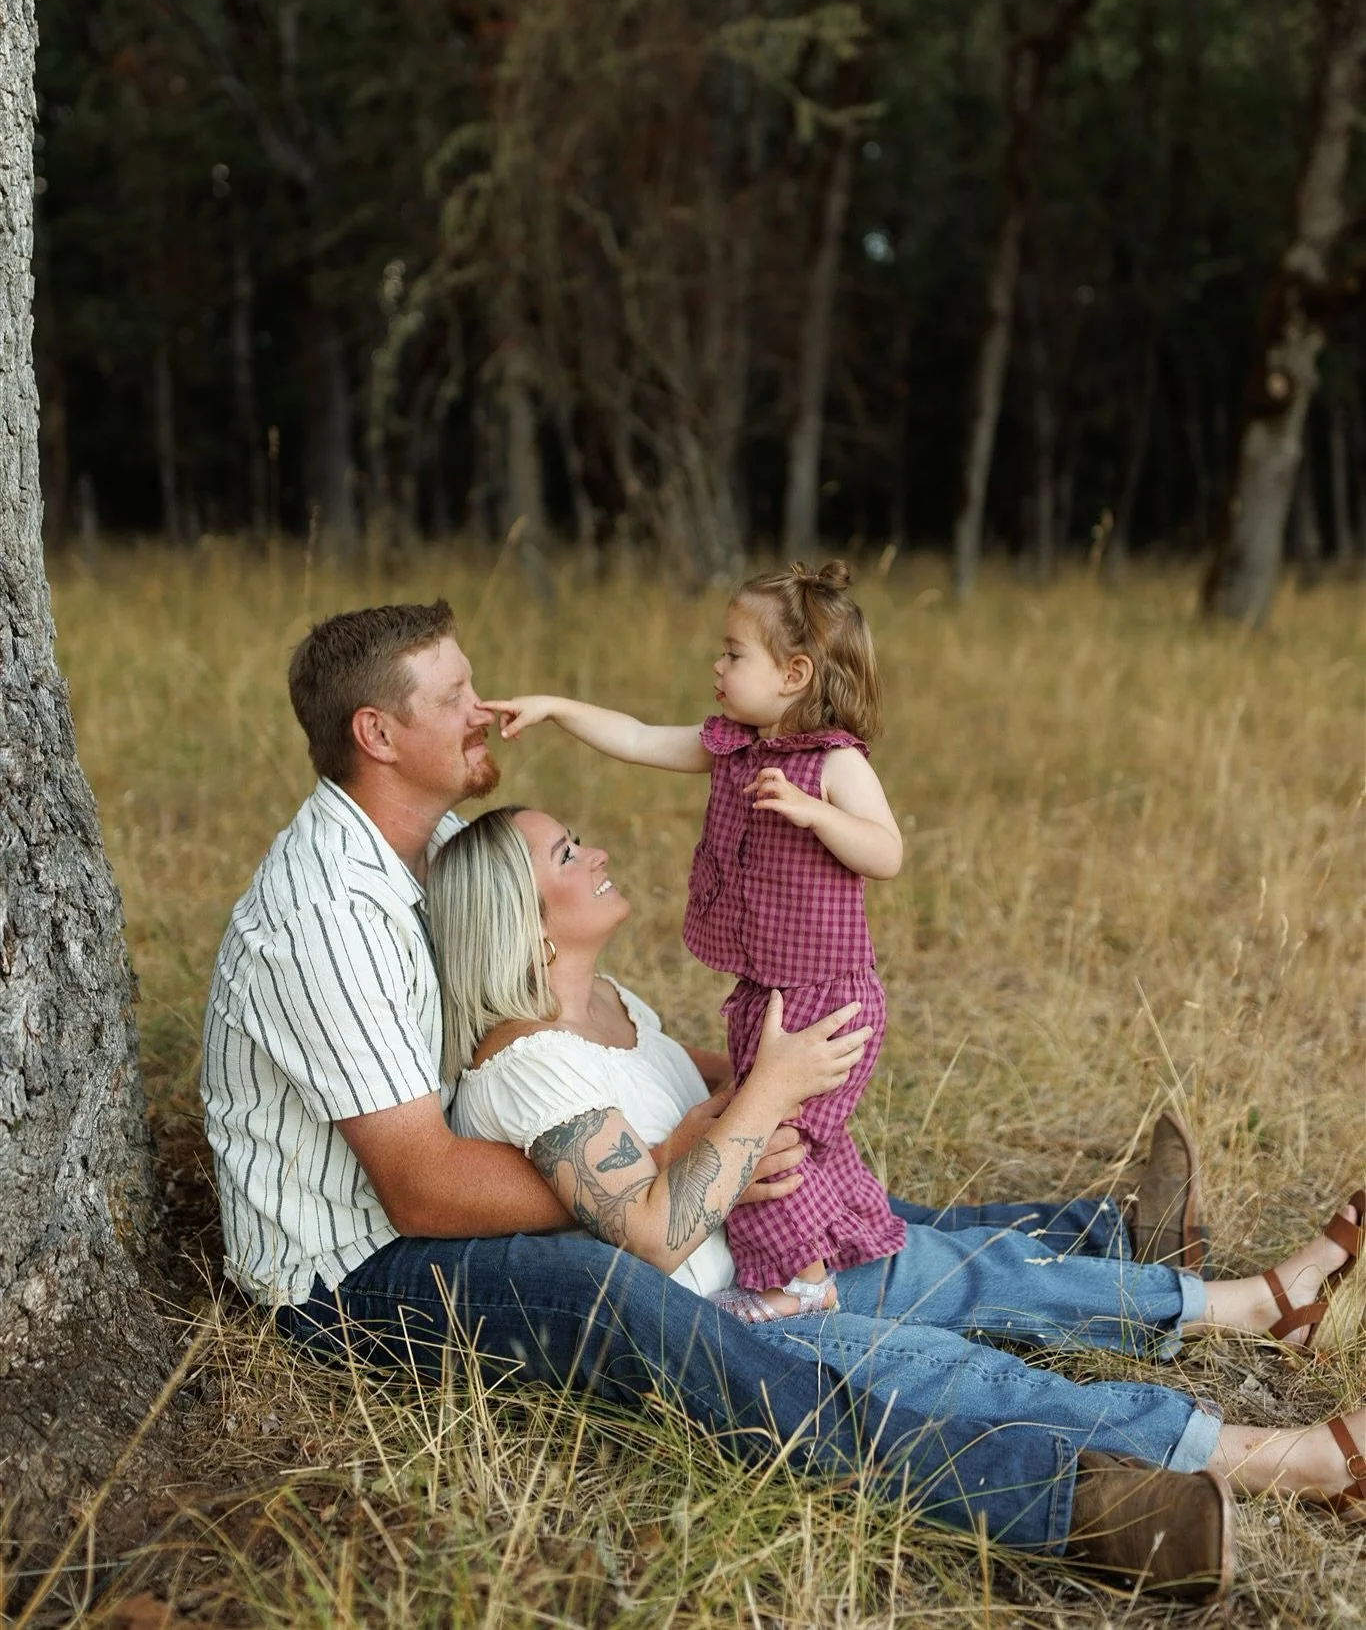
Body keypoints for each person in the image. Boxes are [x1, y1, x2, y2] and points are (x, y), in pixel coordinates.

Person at [199, 598, 1363, 1603]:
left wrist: (740, 1112)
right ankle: (1077, 1501)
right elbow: (421, 1185)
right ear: (378, 732)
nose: (482, 707)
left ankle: (1118, 1246)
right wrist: (684, 1157)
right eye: (455, 696)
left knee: (821, 1210)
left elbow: (612, 1064)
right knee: (642, 1301)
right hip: (357, 1272)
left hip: (526, 1174)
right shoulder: (328, 911)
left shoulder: (440, 841)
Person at [426, 803, 1364, 1549]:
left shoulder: (609, 1003)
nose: (594, 852)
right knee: (971, 1380)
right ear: (524, 922)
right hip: (737, 1322)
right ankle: (1293, 1462)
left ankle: (1256, 1304)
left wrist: (775, 1078)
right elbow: (655, 1235)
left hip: (776, 1252)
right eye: (566, 854)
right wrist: (770, 1091)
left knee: (979, 1268)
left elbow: (696, 1096)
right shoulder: (523, 1063)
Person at [487, 560, 903, 1321]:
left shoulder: (834, 763)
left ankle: (800, 1285)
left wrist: (815, 813)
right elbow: (637, 737)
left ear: (794, 674)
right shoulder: (732, 746)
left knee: (774, 1134)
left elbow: (887, 852)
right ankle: (832, 1254)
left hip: (827, 997)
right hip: (766, 989)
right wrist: (555, 706)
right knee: (770, 1130)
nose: (717, 666)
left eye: (734, 653)